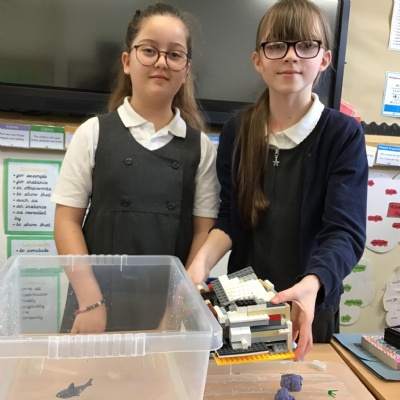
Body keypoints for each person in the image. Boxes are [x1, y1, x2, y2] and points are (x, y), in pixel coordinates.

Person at [187, 0, 368, 361]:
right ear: (258, 60)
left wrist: (313, 284)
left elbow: (344, 232)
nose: (291, 56)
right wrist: (200, 263)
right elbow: (230, 218)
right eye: (277, 46)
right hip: (245, 307)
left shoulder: (343, 135)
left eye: (306, 45)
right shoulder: (238, 130)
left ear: (324, 59)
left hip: (310, 307)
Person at [51, 2, 219, 334]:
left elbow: (203, 233)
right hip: (94, 301)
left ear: (186, 70)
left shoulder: (200, 147)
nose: (161, 62)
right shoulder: (93, 133)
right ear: (127, 61)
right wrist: (90, 301)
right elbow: (66, 221)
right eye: (149, 50)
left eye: (174, 54)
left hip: (166, 310)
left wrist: (177, 311)